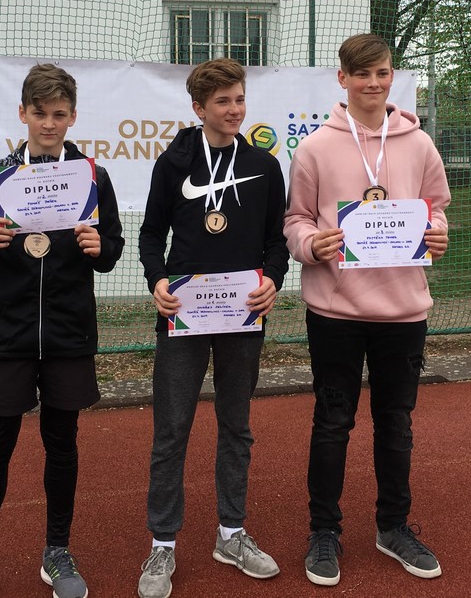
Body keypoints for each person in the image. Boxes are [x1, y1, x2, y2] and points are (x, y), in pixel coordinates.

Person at [0, 63, 125, 598]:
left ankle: (57, 552)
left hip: (67, 334)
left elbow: (112, 250)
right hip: (9, 335)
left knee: (62, 445)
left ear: (72, 117)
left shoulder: (92, 177)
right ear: (22, 113)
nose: (48, 123)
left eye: (59, 114)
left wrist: (100, 248)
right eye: (39, 113)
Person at [283, 33, 451, 587]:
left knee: (395, 424)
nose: (373, 83)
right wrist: (312, 244)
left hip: (402, 311)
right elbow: (296, 220)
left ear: (392, 75)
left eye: (381, 73)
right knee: (333, 422)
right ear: (343, 79)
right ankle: (323, 531)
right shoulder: (315, 148)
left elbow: (436, 209)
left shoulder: (419, 143)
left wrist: (437, 233)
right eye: (362, 74)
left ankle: (392, 526)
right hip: (335, 311)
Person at [136, 58, 290, 598]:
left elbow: (276, 240)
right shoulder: (173, 163)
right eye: (223, 101)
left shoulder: (264, 166)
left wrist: (272, 279)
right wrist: (157, 279)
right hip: (184, 314)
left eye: (240, 99)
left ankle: (231, 534)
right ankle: (163, 544)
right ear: (199, 108)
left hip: (242, 315)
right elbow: (150, 235)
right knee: (172, 429)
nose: (234, 110)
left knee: (236, 427)